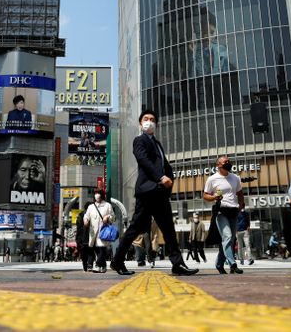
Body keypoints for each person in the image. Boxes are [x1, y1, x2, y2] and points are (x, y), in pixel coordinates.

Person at [109, 109, 197, 276]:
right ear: (141, 124)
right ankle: (117, 261)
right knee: (135, 228)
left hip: (160, 193)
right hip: (147, 192)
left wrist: (169, 181)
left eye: (152, 119)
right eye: (146, 119)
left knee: (169, 230)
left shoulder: (157, 143)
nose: (149, 121)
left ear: (156, 124)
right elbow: (144, 161)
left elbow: (165, 166)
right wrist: (160, 177)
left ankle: (178, 264)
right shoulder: (139, 140)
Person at [203, 155, 244, 275]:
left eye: (229, 161)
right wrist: (214, 197)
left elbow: (240, 193)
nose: (228, 163)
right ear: (218, 165)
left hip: (233, 211)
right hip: (221, 211)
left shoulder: (235, 178)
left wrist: (241, 205)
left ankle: (219, 264)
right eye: (225, 162)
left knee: (230, 239)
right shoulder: (212, 179)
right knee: (227, 236)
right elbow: (205, 195)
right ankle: (233, 264)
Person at [83, 190, 115, 273]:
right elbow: (86, 216)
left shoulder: (107, 205)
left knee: (101, 249)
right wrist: (86, 220)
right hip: (93, 232)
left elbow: (113, 217)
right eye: (95, 194)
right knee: (97, 249)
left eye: (98, 193)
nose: (97, 195)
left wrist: (107, 217)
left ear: (102, 195)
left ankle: (97, 265)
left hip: (103, 231)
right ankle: (103, 266)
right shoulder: (91, 207)